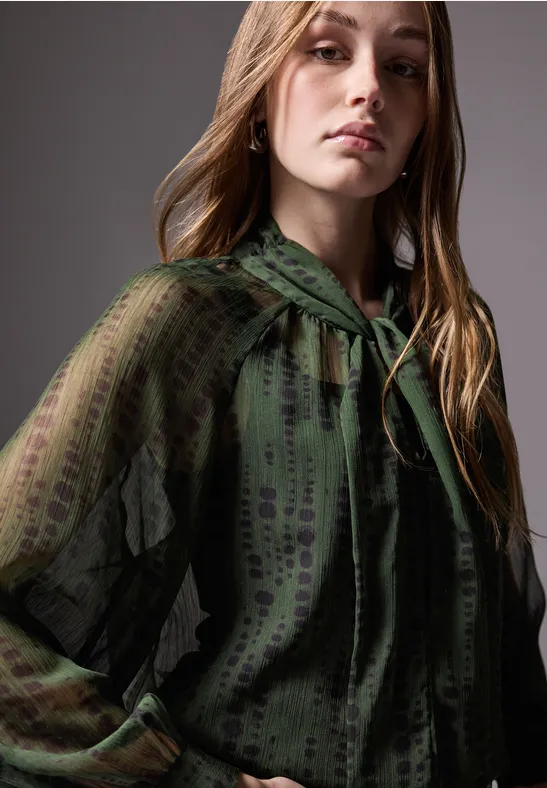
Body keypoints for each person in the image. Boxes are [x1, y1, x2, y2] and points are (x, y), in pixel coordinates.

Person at [0, 1, 546, 787]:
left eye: (404, 67)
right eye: (327, 50)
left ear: (427, 114)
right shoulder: (191, 317)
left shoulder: (454, 333)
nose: (368, 89)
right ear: (259, 89)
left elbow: (506, 649)